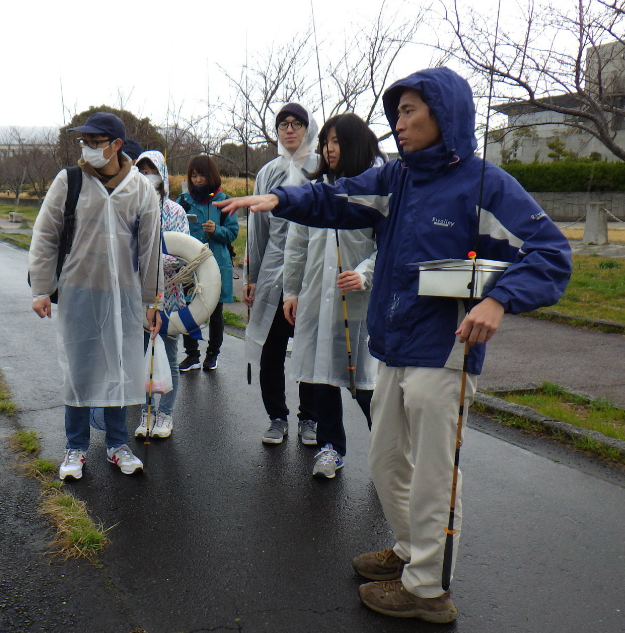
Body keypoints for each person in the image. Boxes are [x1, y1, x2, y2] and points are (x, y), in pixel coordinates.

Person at [216, 67, 571, 623]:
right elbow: (337, 200)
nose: (397, 124)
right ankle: (409, 552)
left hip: (446, 351)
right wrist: (279, 200)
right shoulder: (397, 178)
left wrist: (499, 300)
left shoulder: (486, 184)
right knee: (385, 462)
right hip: (393, 346)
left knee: (434, 474)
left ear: (443, 115)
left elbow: (551, 253)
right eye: (396, 113)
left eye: (409, 112)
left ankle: (429, 589)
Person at [29, 112, 161, 481]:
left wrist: (153, 301)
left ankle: (118, 444)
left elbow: (150, 249)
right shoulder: (68, 181)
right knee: (79, 368)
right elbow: (46, 236)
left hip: (125, 294)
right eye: (83, 140)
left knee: (120, 366)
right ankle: (76, 446)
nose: (87, 147)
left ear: (117, 145)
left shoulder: (140, 189)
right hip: (79, 290)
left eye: (96, 141)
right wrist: (41, 288)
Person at [282, 113, 383, 478]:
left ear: (356, 143)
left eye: (337, 141)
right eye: (326, 141)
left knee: (363, 381)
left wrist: (364, 273)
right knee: (319, 374)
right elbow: (296, 245)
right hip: (315, 296)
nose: (330, 148)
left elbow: (388, 245)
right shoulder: (315, 187)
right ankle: (330, 446)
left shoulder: (376, 189)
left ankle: (389, 449)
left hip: (357, 302)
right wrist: (291, 291)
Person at [243, 103, 321, 446]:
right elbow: (257, 230)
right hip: (274, 274)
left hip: (312, 274)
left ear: (308, 128)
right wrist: (252, 276)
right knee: (271, 349)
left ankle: (311, 418)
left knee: (310, 349)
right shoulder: (267, 173)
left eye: (297, 123)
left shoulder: (321, 168)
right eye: (283, 124)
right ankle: (277, 416)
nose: (289, 129)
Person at [134, 151, 189, 439]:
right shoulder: (130, 208)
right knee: (143, 356)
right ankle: (146, 412)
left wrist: (151, 261)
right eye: (141, 170)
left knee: (168, 355)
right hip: (139, 300)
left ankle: (166, 414)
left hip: (170, 298)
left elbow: (182, 256)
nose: (146, 176)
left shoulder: (176, 212)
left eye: (151, 170)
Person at [176, 155, 238, 372]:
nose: (197, 180)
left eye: (201, 175)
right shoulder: (183, 201)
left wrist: (217, 231)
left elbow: (233, 232)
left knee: (215, 311)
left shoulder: (224, 200)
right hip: (188, 266)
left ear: (210, 175)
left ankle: (213, 354)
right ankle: (192, 354)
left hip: (216, 265)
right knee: (189, 308)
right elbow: (174, 229)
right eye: (193, 176)